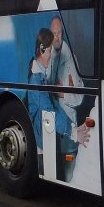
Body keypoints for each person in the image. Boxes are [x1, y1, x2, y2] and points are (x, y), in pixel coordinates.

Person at [26, 27, 90, 177]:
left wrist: (73, 127)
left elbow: (54, 106)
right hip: (41, 144)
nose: (51, 55)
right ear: (42, 50)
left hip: (45, 139)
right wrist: (73, 133)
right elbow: (50, 112)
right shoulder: (36, 79)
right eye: (49, 51)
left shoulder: (41, 75)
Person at [48, 17, 88, 181]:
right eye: (53, 33)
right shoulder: (45, 56)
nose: (56, 37)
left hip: (68, 129)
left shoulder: (71, 60)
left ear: (62, 34)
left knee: (69, 176)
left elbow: (79, 98)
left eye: (59, 33)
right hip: (50, 126)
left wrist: (62, 93)